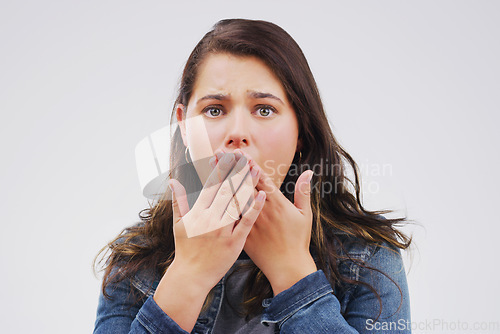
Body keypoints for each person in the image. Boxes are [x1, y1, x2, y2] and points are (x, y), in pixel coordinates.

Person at [93, 18, 413, 333]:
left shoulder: (368, 258)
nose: (238, 133)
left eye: (264, 109)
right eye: (215, 110)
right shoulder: (134, 262)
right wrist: (188, 275)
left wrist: (293, 273)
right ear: (184, 126)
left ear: (301, 129)